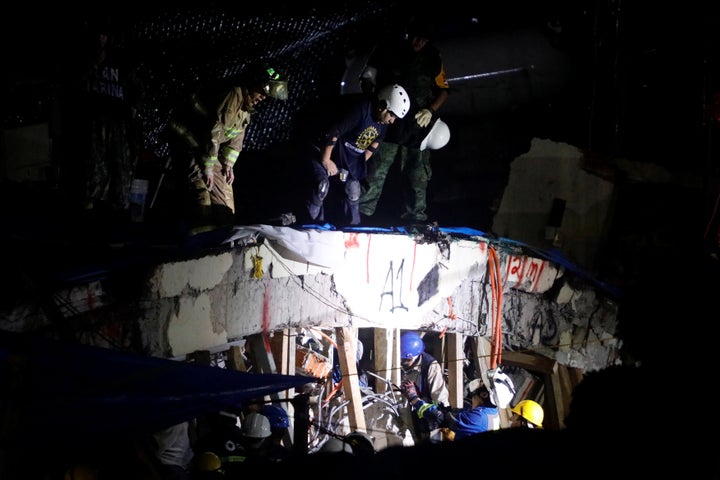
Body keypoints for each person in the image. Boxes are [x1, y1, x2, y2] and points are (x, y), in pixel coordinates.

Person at [166, 63, 288, 233]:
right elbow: (214, 131)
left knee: (225, 201)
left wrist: (227, 165)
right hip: (190, 144)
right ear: (252, 85)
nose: (263, 97)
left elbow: (236, 137)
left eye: (266, 95)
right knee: (202, 196)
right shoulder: (234, 94)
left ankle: (222, 238)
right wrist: (208, 168)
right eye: (261, 91)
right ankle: (200, 243)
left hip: (208, 150)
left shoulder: (246, 108)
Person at [359, 16, 450, 224]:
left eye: (424, 40)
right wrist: (375, 104)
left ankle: (415, 219)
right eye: (416, 38)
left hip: (419, 126)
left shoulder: (433, 57)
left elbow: (444, 90)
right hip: (388, 123)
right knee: (375, 170)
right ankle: (360, 215)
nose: (419, 43)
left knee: (417, 176)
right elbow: (367, 77)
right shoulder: (387, 49)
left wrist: (430, 110)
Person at [303, 84, 410, 226]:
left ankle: (352, 228)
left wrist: (358, 163)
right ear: (382, 106)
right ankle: (311, 225)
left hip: (344, 159)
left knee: (353, 189)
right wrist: (326, 160)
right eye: (391, 115)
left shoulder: (382, 121)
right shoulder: (360, 109)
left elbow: (374, 144)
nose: (392, 120)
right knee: (321, 186)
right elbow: (333, 133)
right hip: (323, 151)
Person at [400, 377, 500, 441]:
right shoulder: (489, 412)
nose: (478, 383)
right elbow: (450, 412)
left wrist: (414, 398)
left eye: (481, 384)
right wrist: (421, 398)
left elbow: (441, 417)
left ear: (484, 394)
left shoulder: (478, 418)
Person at [398, 331, 449, 443]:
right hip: (404, 418)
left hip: (426, 422)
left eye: (405, 360)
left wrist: (415, 398)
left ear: (414, 356)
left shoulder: (430, 366)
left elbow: (440, 403)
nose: (402, 362)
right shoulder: (397, 364)